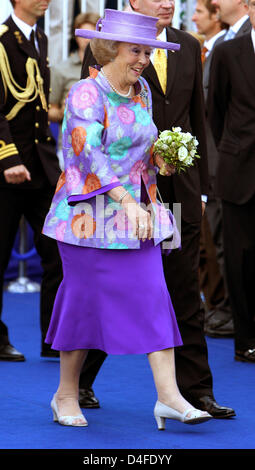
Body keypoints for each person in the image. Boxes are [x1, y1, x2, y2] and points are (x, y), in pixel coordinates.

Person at [42, 8, 212, 428]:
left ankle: (169, 396)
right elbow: (86, 153)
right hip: (86, 219)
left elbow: (140, 152)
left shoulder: (141, 93)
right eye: (136, 50)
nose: (143, 59)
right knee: (84, 305)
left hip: (137, 217)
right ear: (110, 49)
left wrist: (163, 160)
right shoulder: (86, 92)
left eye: (148, 51)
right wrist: (124, 198)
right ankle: (65, 394)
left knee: (155, 294)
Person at [79, 0, 236, 419]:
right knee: (110, 289)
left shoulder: (188, 44)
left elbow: (198, 120)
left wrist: (201, 191)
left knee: (183, 290)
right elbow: (91, 136)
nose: (167, 2)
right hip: (120, 198)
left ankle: (197, 391)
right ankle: (78, 383)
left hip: (176, 195)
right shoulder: (109, 49)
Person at [0, 0, 62, 361]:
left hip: (41, 167)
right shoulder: (4, 40)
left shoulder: (40, 38)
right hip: (7, 168)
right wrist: (8, 158)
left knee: (55, 252)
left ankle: (53, 338)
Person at [207, 0, 255, 363]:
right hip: (240, 171)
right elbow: (217, 113)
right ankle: (245, 338)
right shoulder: (227, 52)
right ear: (249, 7)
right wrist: (235, 149)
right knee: (239, 259)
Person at [192, 0, 234, 338]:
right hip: (201, 162)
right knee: (206, 243)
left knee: (221, 239)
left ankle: (228, 308)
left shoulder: (228, 47)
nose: (192, 17)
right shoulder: (202, 48)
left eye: (199, 12)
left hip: (224, 160)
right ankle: (217, 305)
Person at [48, 12, 100, 169]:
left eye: (93, 34)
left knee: (101, 193)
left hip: (102, 147)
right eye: (84, 34)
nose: (88, 39)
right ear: (76, 36)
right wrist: (66, 109)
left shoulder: (109, 69)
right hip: (69, 147)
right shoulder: (61, 69)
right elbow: (49, 110)